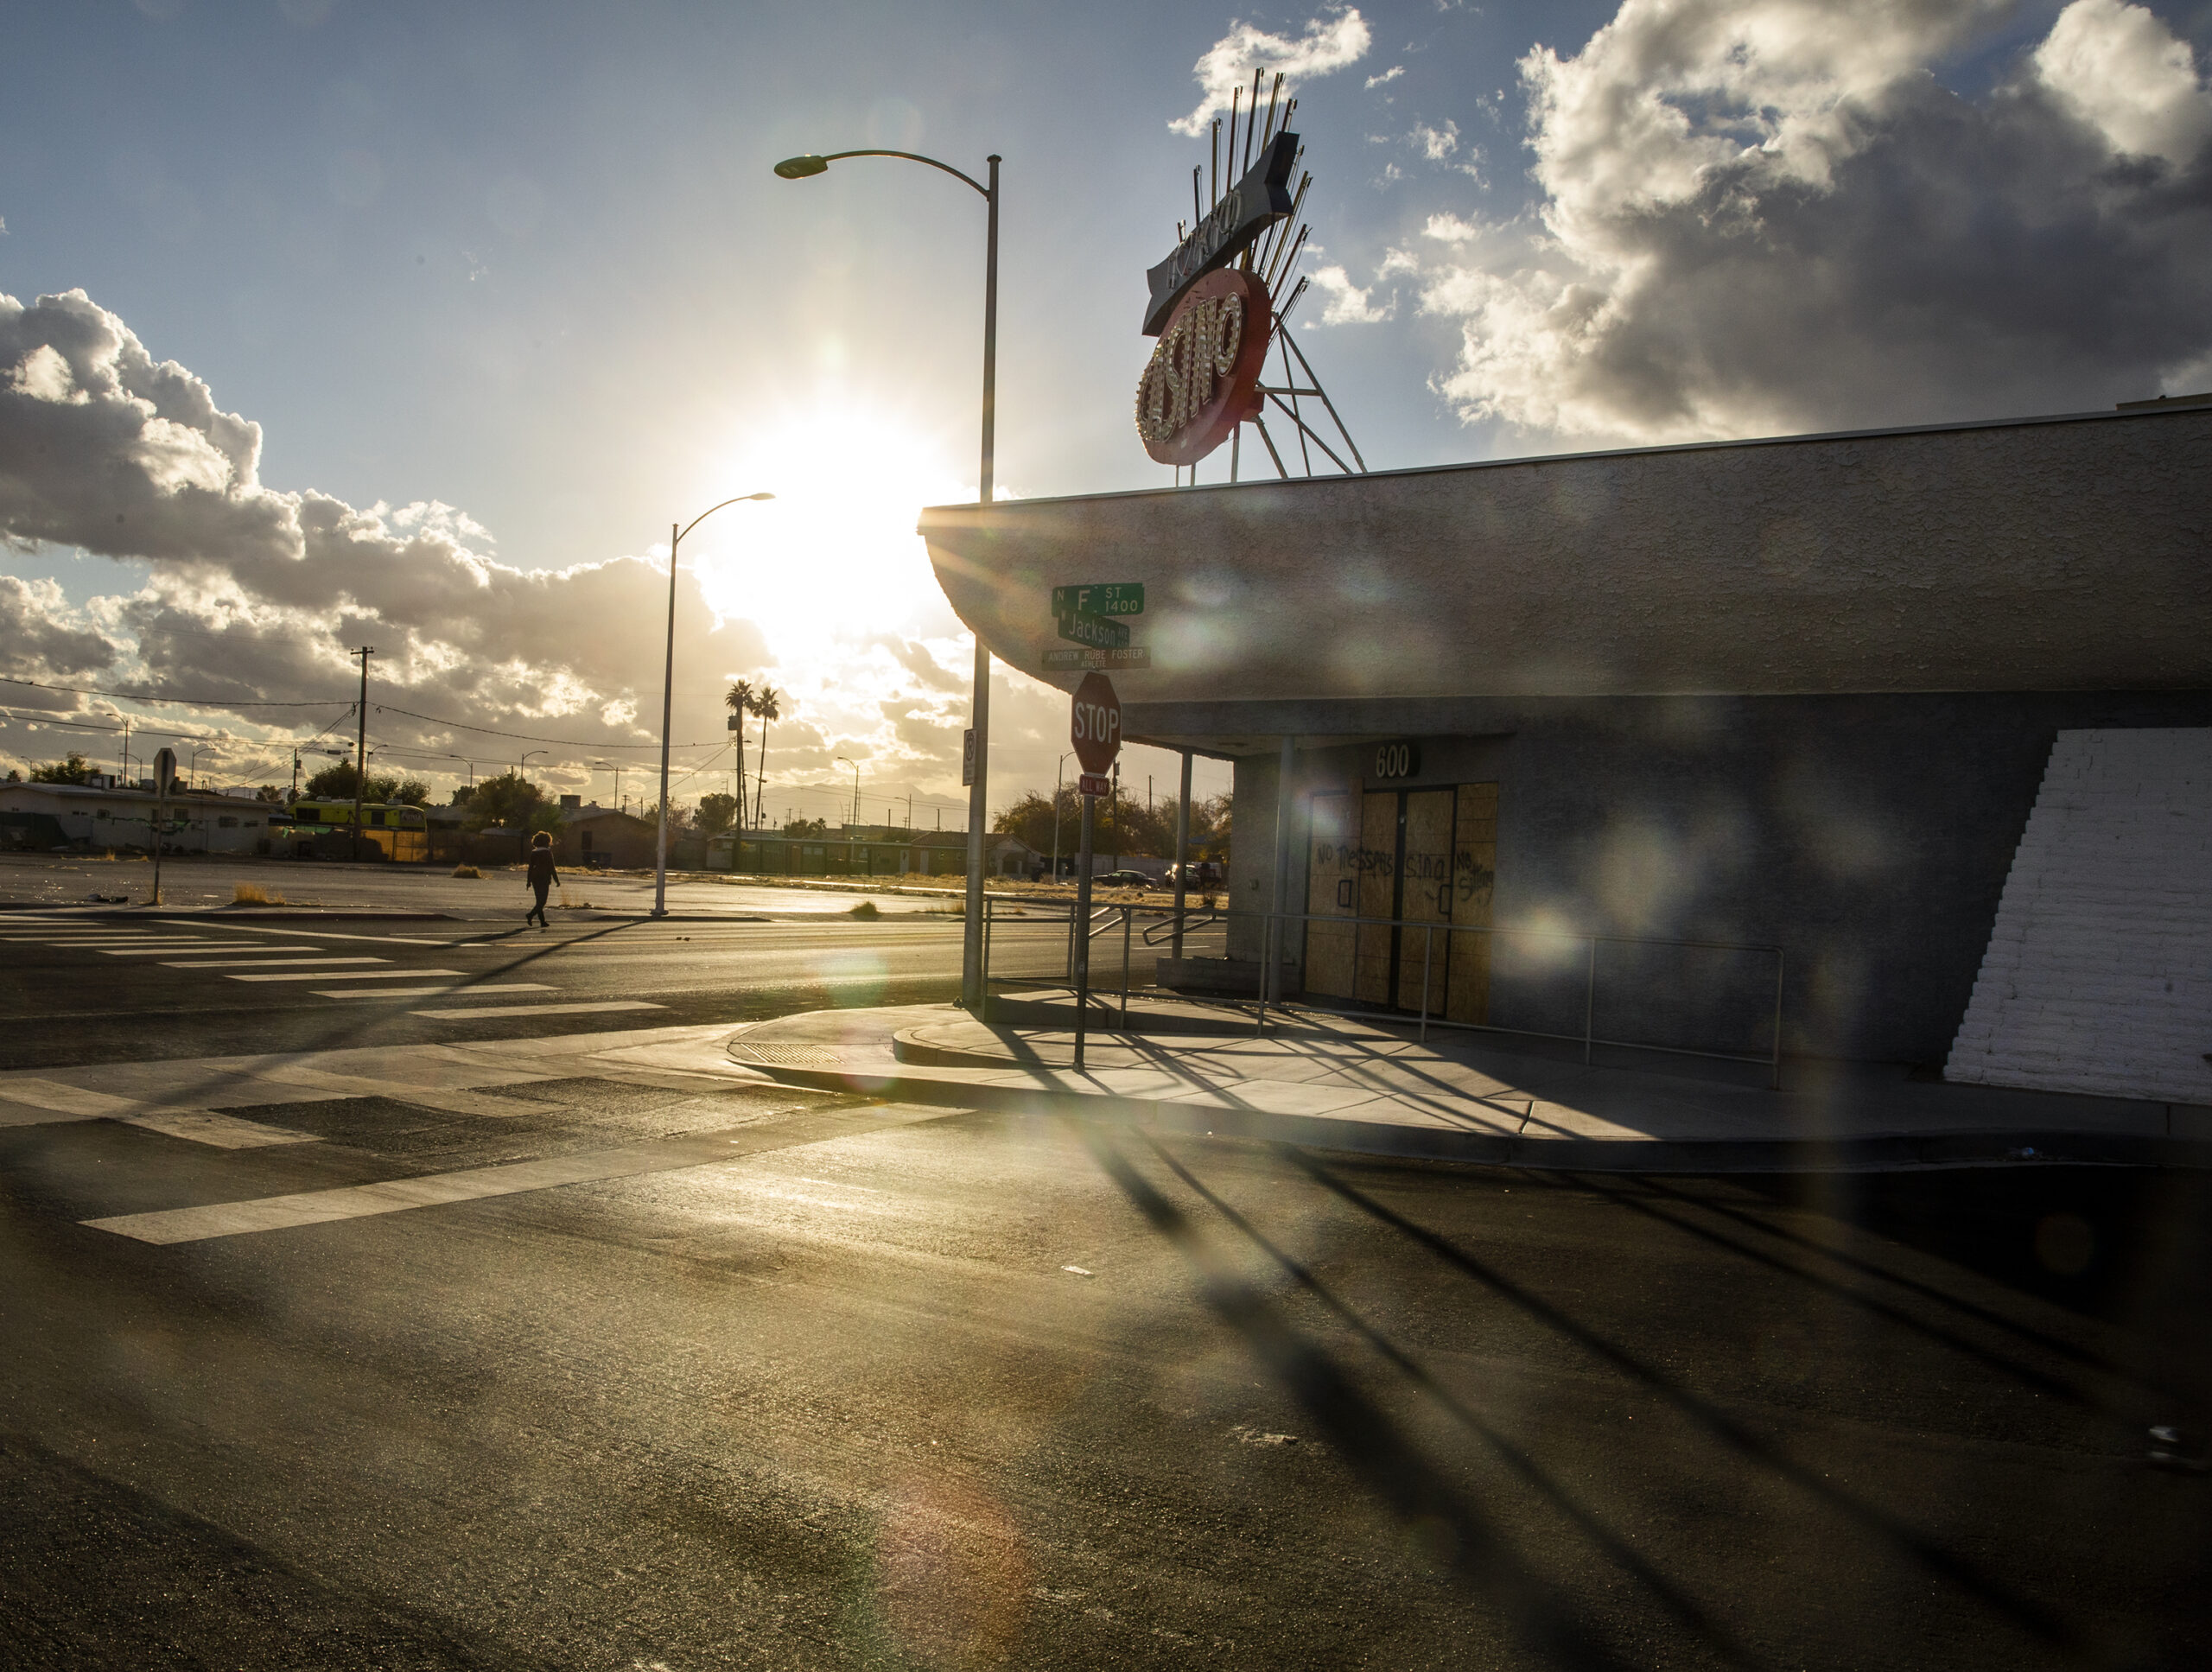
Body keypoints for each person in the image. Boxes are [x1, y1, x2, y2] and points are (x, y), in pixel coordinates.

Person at [524, 830, 557, 928]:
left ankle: (542, 921)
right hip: (544, 878)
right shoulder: (547, 852)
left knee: (539, 901)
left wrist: (528, 881)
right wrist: (557, 880)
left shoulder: (534, 852)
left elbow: (530, 868)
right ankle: (530, 915)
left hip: (535, 878)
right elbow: (552, 868)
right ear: (547, 841)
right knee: (542, 902)